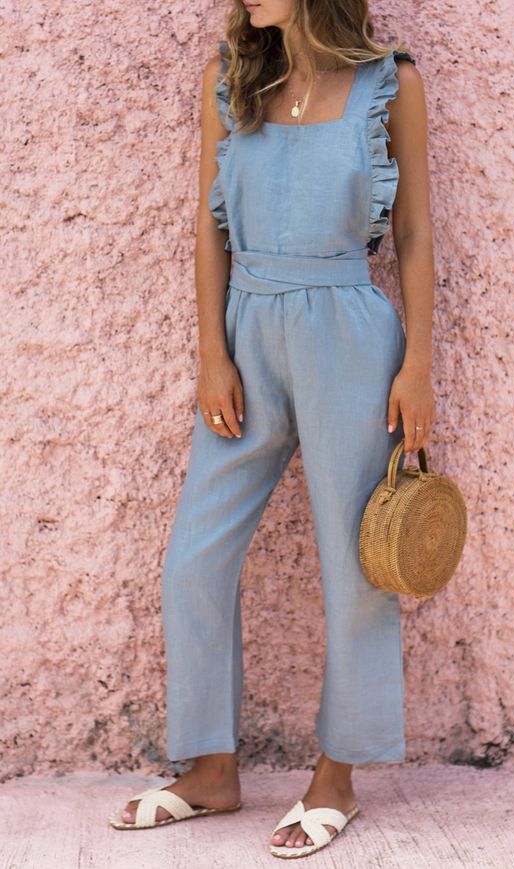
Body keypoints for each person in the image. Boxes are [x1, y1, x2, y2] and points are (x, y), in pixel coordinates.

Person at [108, 0, 435, 859]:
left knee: (353, 565)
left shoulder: (387, 83)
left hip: (349, 337)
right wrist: (211, 353)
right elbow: (209, 227)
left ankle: (337, 777)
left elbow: (412, 230)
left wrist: (419, 367)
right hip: (247, 333)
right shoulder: (229, 77)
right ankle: (212, 768)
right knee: (195, 556)